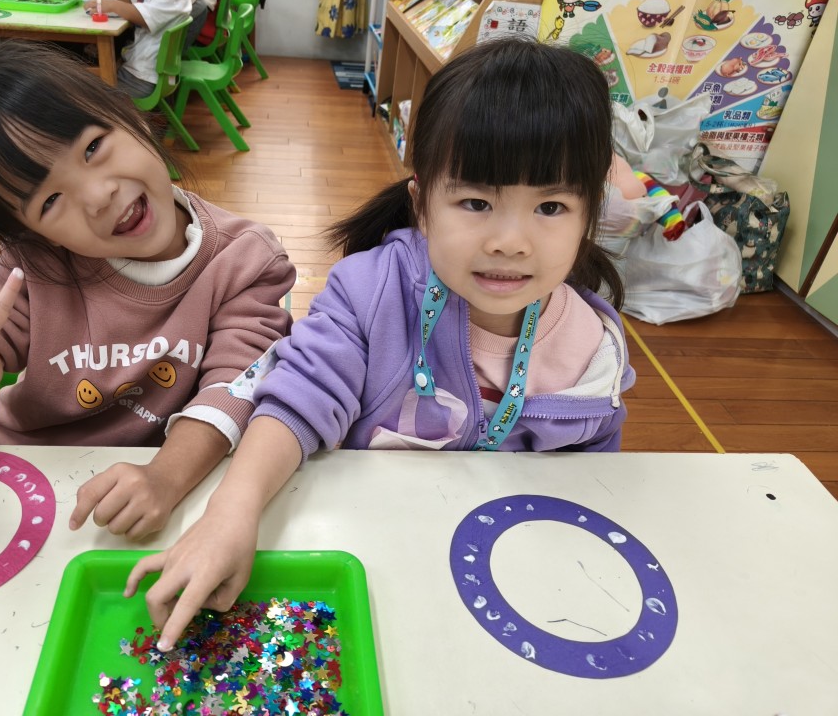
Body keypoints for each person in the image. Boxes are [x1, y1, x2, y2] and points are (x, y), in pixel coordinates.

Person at [123, 37, 638, 651]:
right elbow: (298, 396)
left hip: (506, 587)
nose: (510, 241)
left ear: (589, 214)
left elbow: (593, 486)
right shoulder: (370, 291)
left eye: (550, 207)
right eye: (476, 202)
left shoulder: (592, 354)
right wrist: (230, 513)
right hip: (365, 557)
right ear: (422, 204)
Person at [0, 39, 296, 541]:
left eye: (93, 148)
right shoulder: (30, 266)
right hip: (42, 479)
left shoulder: (244, 260)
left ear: (132, 116)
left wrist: (164, 476)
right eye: (50, 201)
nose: (98, 197)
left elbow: (237, 385)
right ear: (32, 231)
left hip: (179, 473)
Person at [70, 0, 192, 98]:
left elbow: (145, 17)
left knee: (77, 92)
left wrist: (112, 5)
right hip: (141, 72)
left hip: (141, 78)